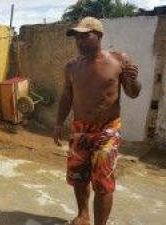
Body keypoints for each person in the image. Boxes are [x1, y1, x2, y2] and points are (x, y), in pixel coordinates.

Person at [53, 17, 141, 225]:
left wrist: (133, 80)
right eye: (77, 37)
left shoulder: (119, 60)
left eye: (85, 36)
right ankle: (83, 215)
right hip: (80, 130)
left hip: (107, 130)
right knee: (78, 177)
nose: (80, 41)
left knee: (102, 183)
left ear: (99, 35)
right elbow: (67, 96)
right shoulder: (72, 67)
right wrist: (58, 124)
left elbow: (133, 93)